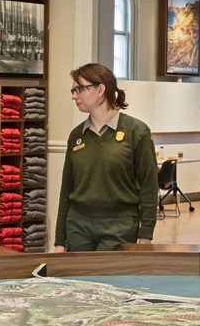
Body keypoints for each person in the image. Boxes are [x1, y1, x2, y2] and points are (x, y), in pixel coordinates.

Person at [54, 63, 158, 251]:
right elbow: (66, 189)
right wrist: (60, 241)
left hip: (120, 226)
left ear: (100, 89)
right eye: (72, 90)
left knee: (109, 280)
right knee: (76, 280)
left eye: (79, 89)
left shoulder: (137, 132)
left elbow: (149, 187)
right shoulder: (76, 136)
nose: (74, 96)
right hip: (78, 226)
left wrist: (146, 235)